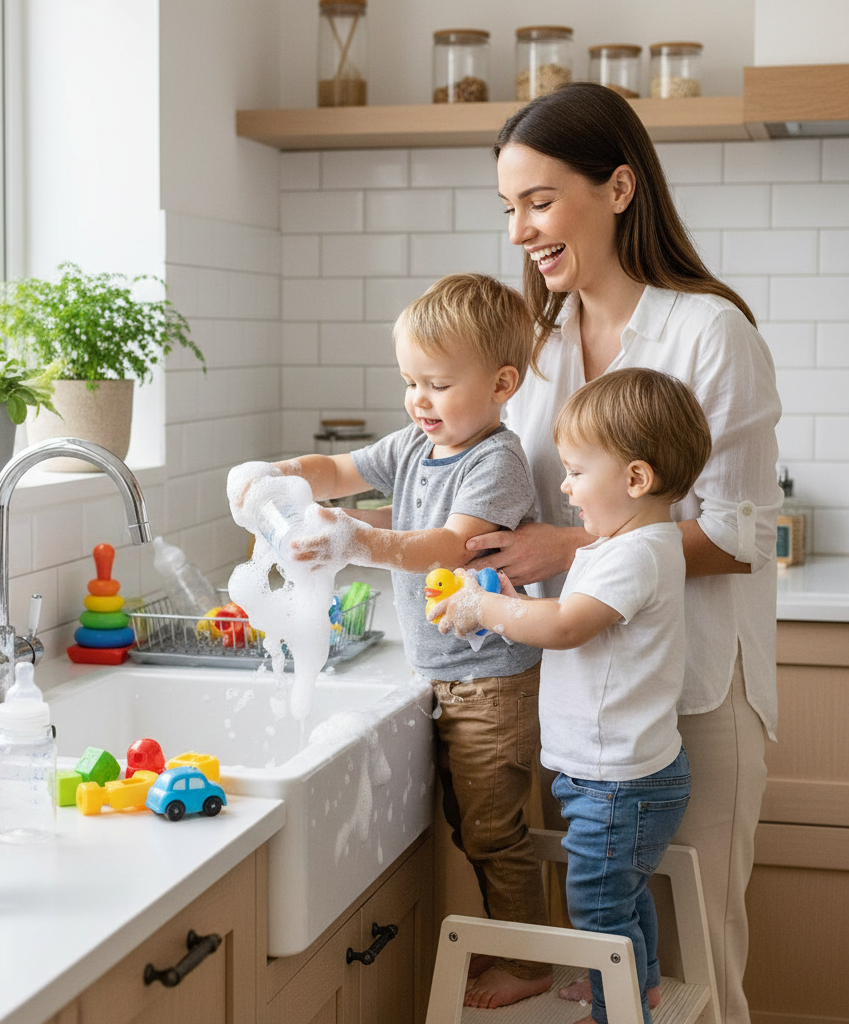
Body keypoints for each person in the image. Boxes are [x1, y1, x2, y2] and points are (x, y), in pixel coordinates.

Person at [466, 82, 782, 1024]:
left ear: (618, 188)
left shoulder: (708, 332)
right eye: (509, 209)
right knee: (612, 972)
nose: (521, 230)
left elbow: (737, 536)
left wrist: (569, 542)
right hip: (578, 716)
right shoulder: (539, 343)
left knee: (697, 963)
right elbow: (495, 487)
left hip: (694, 699)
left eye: (539, 201)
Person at [235, 273, 554, 1009]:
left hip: (492, 680)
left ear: (502, 383)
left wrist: (359, 540)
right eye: (411, 381)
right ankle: (519, 948)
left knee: (493, 831)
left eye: (437, 384)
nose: (419, 400)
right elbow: (339, 470)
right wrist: (277, 476)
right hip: (443, 672)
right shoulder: (418, 442)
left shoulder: (494, 463)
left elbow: (445, 545)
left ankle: (531, 963)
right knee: (471, 825)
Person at [432, 367, 713, 1024]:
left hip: (620, 783)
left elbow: (564, 627)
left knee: (597, 906)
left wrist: (482, 607)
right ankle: (632, 987)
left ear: (636, 479)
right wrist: (510, 597)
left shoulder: (636, 553)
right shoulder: (620, 542)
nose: (564, 486)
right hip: (610, 775)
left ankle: (620, 1012)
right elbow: (571, 617)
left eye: (577, 471)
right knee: (622, 895)